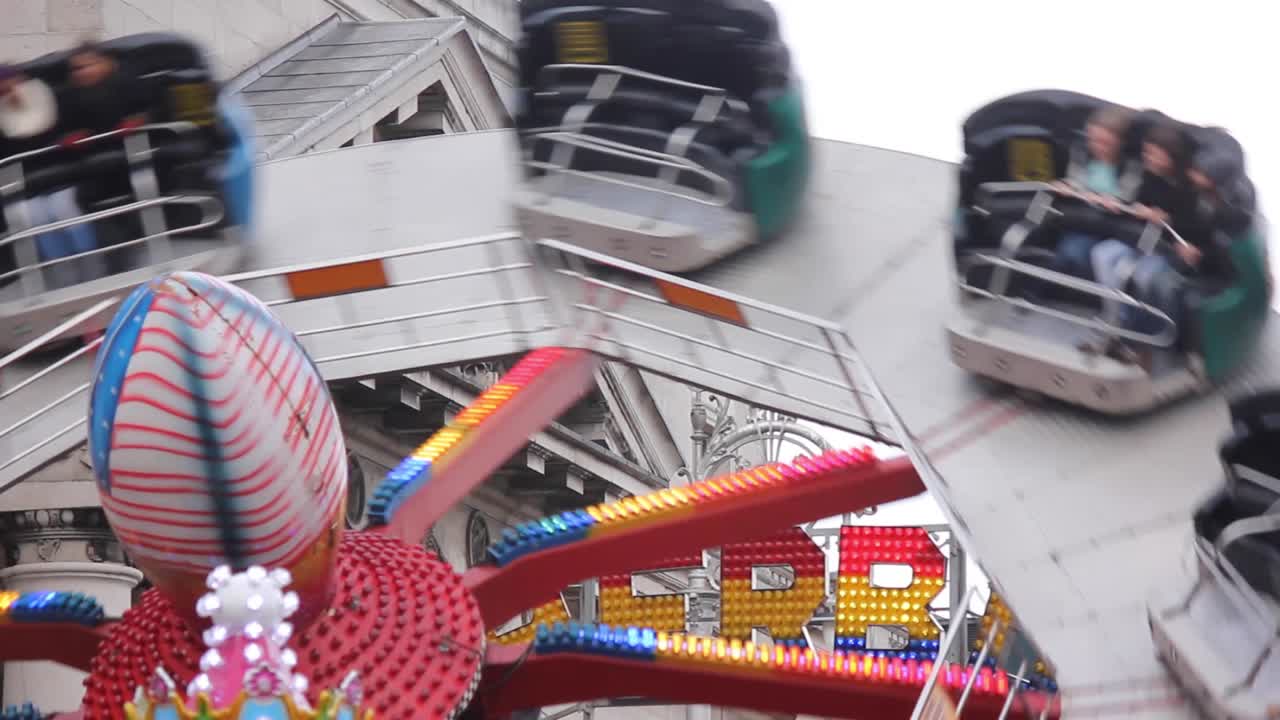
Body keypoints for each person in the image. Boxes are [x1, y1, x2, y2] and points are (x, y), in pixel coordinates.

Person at [1084, 122, 1201, 367]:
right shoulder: (1149, 176)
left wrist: (1167, 218)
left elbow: (1193, 225)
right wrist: (1133, 208)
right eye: (1146, 153)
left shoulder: (1187, 187)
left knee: (1144, 276)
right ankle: (1117, 320)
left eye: (1152, 154)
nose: (1146, 158)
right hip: (1143, 238)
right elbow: (1138, 202)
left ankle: (1143, 342)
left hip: (1169, 247)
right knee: (1102, 254)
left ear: (1170, 156)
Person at [0, 65, 104, 290]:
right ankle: (65, 275)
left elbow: (76, 129)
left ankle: (93, 269)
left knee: (63, 209)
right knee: (35, 218)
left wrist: (69, 141)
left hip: (61, 172)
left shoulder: (52, 97)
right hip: (27, 181)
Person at [1049, 105, 1140, 280]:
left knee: (1078, 253)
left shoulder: (1131, 166)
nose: (1097, 146)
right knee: (1070, 251)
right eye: (1093, 140)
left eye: (1104, 142)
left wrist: (1111, 200)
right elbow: (1074, 181)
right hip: (1083, 219)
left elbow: (1127, 195)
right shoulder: (1081, 154)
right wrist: (1066, 186)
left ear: (1119, 142)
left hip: (1114, 225)